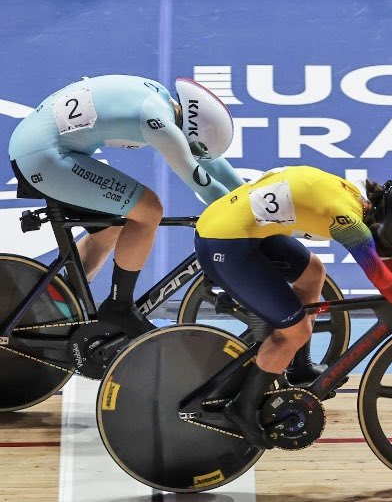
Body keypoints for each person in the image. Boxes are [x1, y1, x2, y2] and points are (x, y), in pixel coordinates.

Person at [194, 165, 392, 448]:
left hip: (244, 227)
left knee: (313, 273)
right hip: (224, 243)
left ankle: (299, 368)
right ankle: (241, 408)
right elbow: (385, 281)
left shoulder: (358, 201)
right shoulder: (349, 224)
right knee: (295, 330)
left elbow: (391, 260)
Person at [9, 74, 244, 337]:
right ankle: (119, 307)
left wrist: (248, 193)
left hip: (37, 147)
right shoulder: (158, 122)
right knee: (149, 209)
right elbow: (200, 180)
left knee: (108, 230)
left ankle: (61, 306)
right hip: (45, 157)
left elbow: (210, 162)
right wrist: (244, 213)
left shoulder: (162, 100)